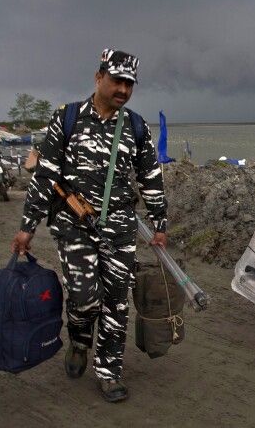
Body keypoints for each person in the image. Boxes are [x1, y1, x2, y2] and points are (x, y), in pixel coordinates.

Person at [11, 48, 168, 403]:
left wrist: (159, 220)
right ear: (99, 78)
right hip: (74, 224)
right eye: (117, 81)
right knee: (85, 299)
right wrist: (27, 226)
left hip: (120, 227)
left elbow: (150, 177)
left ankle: (109, 371)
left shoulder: (136, 126)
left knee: (116, 303)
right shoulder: (67, 118)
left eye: (130, 84)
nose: (124, 90)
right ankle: (79, 338)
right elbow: (45, 175)